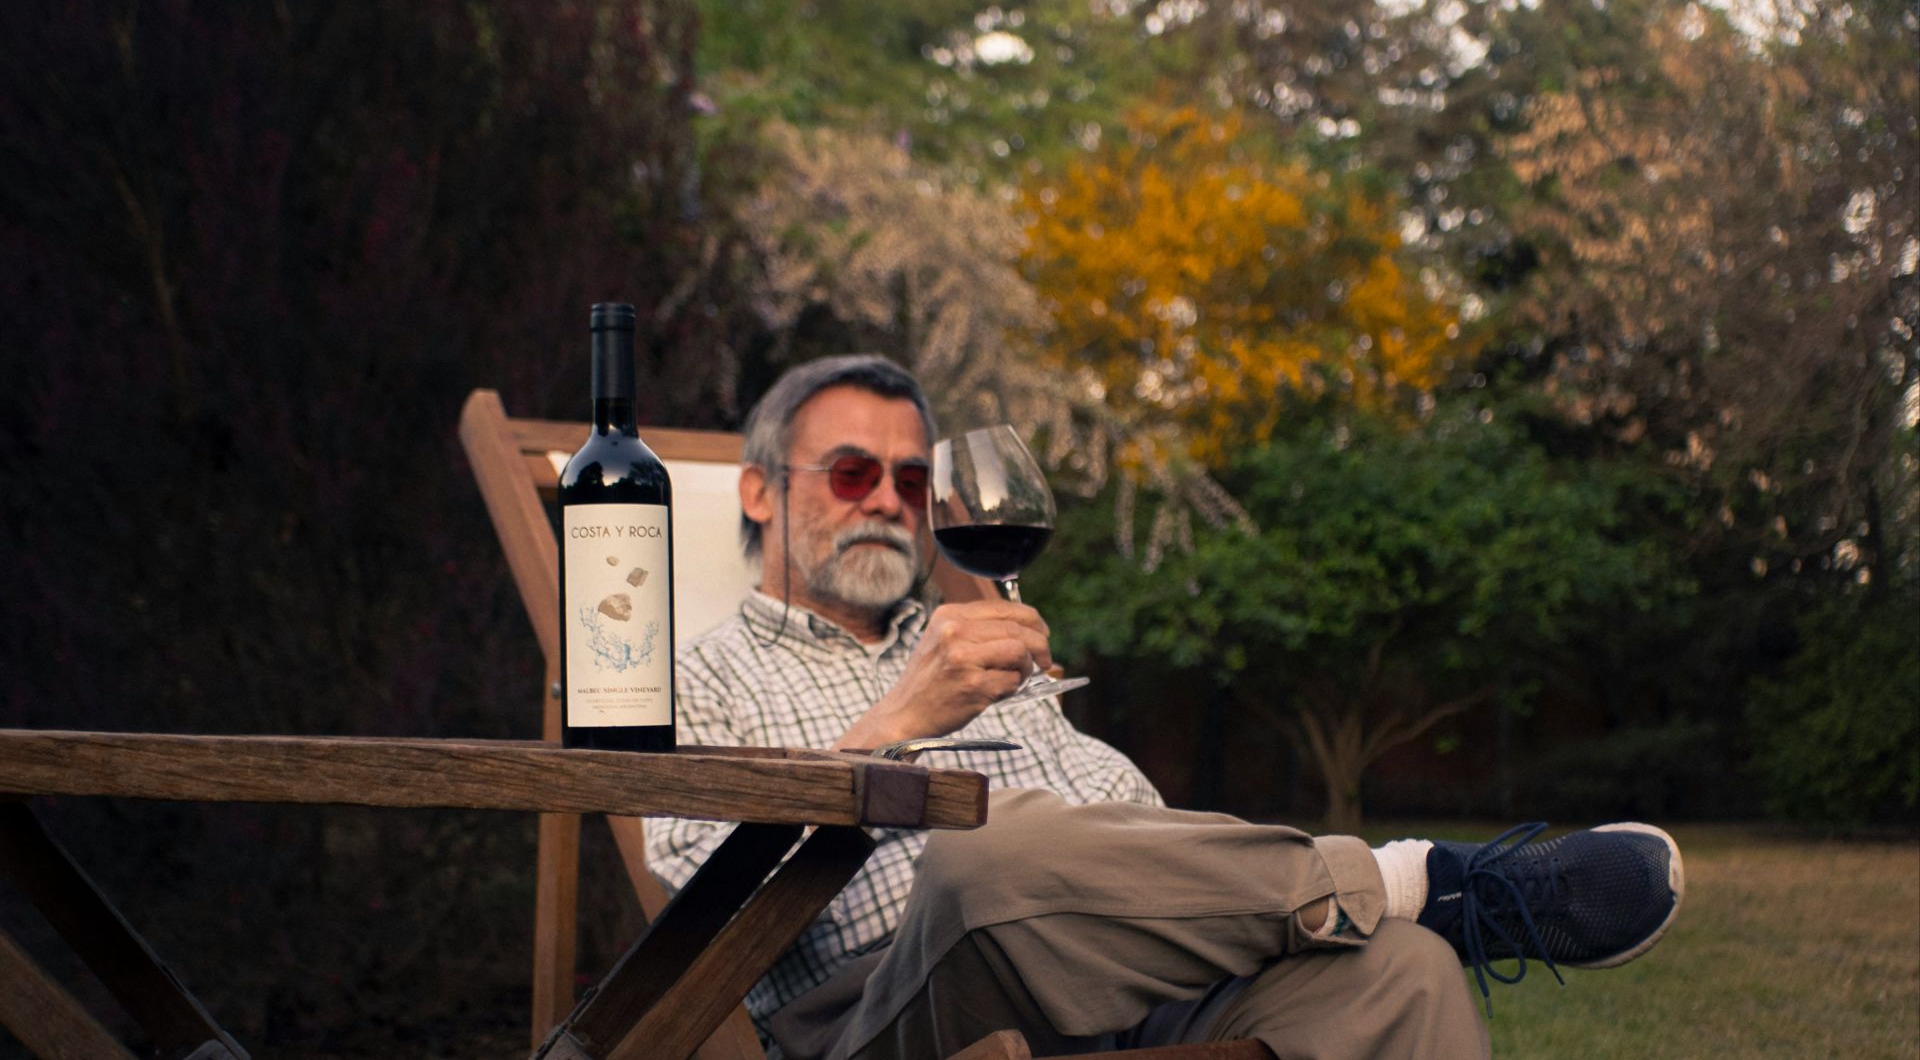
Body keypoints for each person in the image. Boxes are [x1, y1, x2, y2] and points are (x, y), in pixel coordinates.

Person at [645, 354, 1684, 1060]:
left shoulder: (973, 642)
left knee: (1401, 972)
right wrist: (894, 731)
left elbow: (1130, 824)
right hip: (895, 1008)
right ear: (759, 492)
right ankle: (1419, 880)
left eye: (915, 482)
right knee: (984, 847)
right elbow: (702, 910)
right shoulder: (704, 675)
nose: (886, 500)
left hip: (1124, 976)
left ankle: (1407, 906)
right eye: (852, 471)